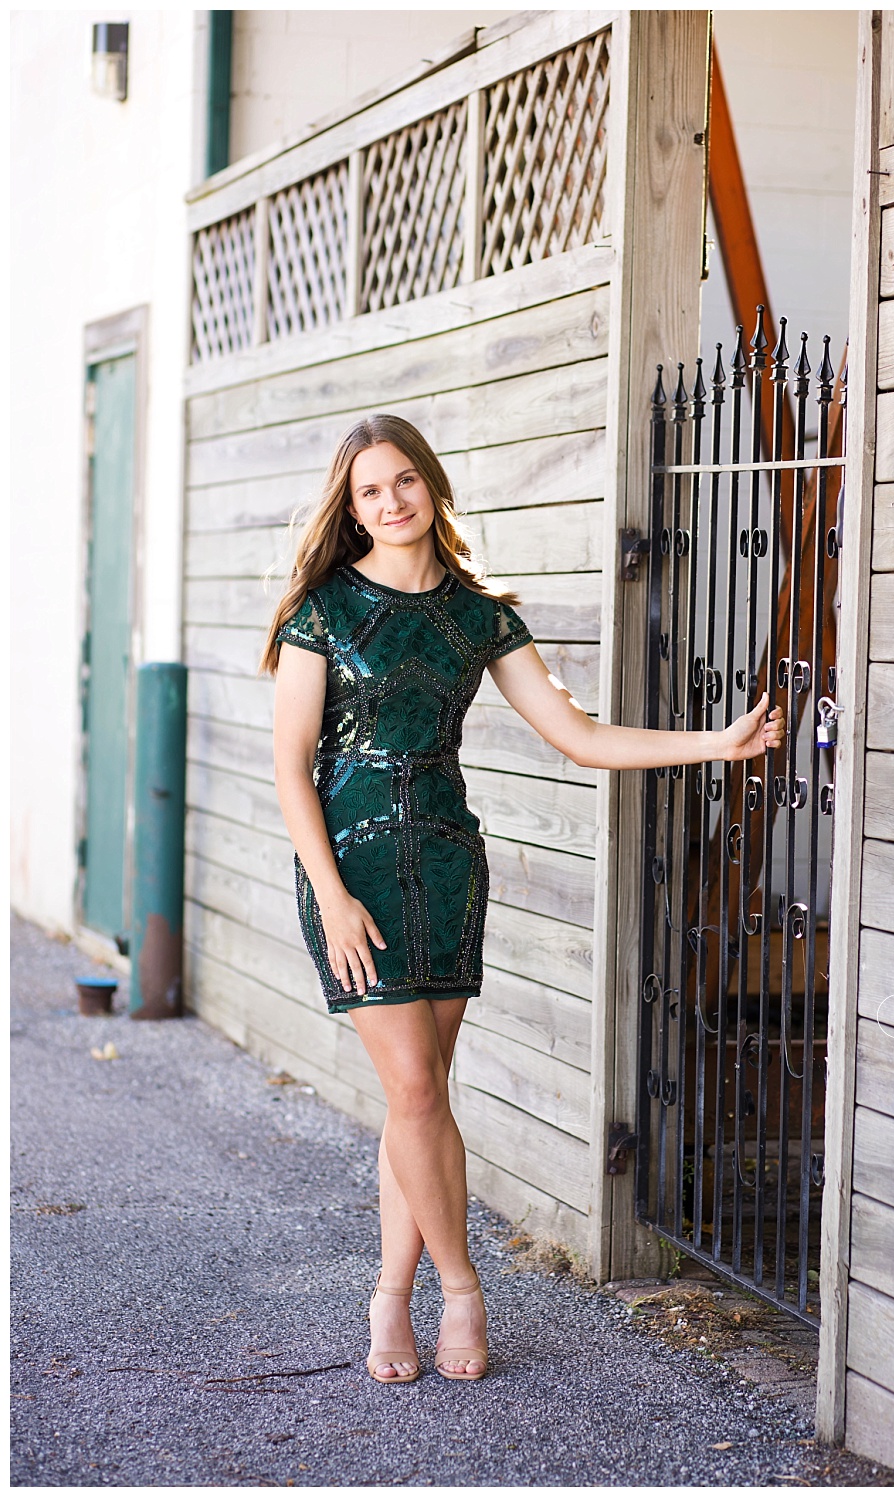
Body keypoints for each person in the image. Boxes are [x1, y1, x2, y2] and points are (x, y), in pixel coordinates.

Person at [261, 414, 784, 1384]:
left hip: (449, 869)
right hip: (352, 872)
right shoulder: (322, 611)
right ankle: (460, 1290)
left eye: (403, 482)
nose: (390, 502)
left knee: (415, 1102)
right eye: (370, 491)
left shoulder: (481, 614)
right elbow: (291, 767)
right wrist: (329, 895)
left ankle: (387, 1298)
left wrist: (716, 744)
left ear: (432, 485)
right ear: (353, 506)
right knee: (414, 1089)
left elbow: (576, 736)